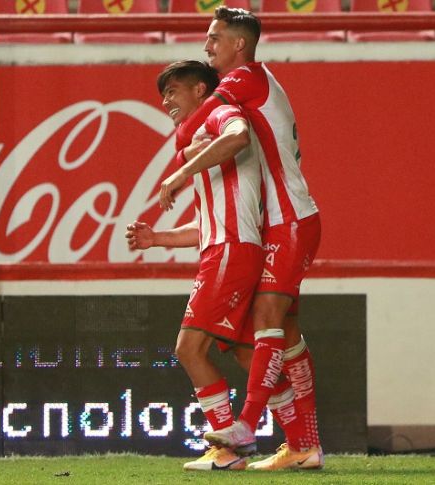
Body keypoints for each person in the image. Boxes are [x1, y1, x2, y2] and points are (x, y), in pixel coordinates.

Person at [157, 7, 324, 471]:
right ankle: (304, 445)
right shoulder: (256, 83)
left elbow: (204, 122)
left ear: (239, 45)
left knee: (263, 321)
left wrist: (183, 160)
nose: (207, 47)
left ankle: (245, 427)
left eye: (214, 39)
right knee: (285, 335)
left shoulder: (243, 79)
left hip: (290, 217)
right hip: (280, 219)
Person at [127, 60, 303, 472]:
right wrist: (159, 239)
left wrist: (181, 172)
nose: (166, 101)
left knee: (189, 348)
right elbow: (210, 222)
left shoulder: (223, 114)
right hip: (227, 246)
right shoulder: (201, 137)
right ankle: (299, 444)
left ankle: (228, 451)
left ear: (202, 91)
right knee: (245, 354)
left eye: (173, 91)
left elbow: (238, 135)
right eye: (163, 94)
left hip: (230, 252)